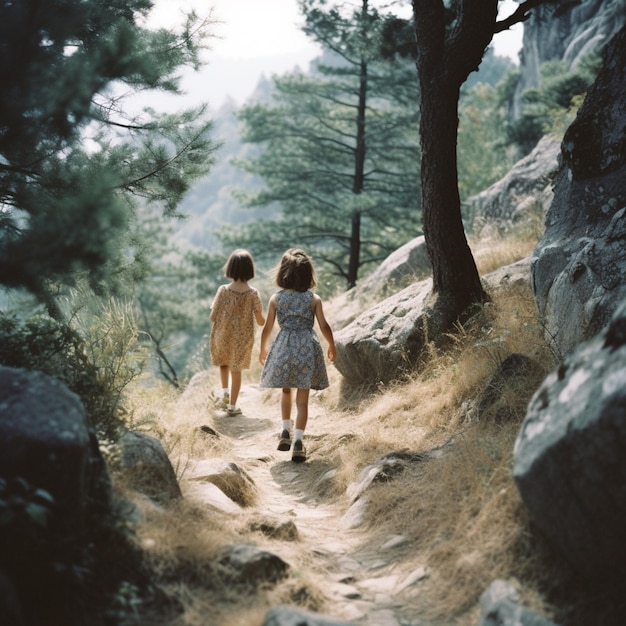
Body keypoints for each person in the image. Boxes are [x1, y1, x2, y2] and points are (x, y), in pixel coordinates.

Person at [259, 248, 336, 462]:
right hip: (306, 348)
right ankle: (299, 442)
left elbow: (267, 328)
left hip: (284, 346)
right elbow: (324, 326)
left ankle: (285, 431)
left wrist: (263, 348)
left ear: (283, 273)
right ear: (308, 274)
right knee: (303, 401)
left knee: (286, 391)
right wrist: (332, 344)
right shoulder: (314, 299)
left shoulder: (276, 299)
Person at [210, 249, 265, 416]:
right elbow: (261, 321)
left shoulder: (222, 290)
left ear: (230, 269)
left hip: (222, 336)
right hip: (242, 340)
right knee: (236, 371)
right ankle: (232, 407)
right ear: (250, 270)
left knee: (224, 362)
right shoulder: (253, 294)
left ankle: (225, 394)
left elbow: (212, 317)